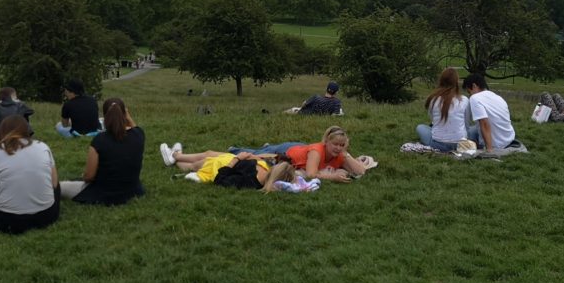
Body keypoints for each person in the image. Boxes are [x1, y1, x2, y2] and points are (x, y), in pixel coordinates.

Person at [0, 115, 60, 234]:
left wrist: (0, 187)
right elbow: (54, 183)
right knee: (56, 184)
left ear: (1, 131)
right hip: (47, 216)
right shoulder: (43, 146)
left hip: (11, 222)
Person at [60, 98, 145, 205]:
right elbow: (135, 128)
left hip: (104, 193)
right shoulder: (139, 135)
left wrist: (84, 176)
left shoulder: (100, 140)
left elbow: (89, 177)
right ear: (125, 114)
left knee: (60, 187)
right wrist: (127, 116)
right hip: (132, 190)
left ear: (104, 117)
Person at [226, 126, 368, 183]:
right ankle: (234, 149)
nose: (337, 148)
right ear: (326, 142)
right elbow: (312, 174)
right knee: (257, 153)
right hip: (287, 152)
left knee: (263, 151)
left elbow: (360, 171)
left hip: (301, 148)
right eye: (335, 144)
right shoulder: (317, 151)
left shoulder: (340, 154)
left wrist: (345, 153)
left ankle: (268, 146)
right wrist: (333, 177)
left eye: (341, 145)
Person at [159, 145, 295, 192]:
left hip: (222, 166)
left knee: (195, 165)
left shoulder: (251, 182)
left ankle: (173, 158)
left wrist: (237, 159)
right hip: (231, 158)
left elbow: (221, 179)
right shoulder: (266, 171)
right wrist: (250, 156)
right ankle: (176, 155)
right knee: (208, 153)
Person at [415, 67, 471, 151]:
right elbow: (466, 123)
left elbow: (433, 120)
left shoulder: (433, 99)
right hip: (461, 144)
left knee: (420, 127)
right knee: (473, 128)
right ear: (456, 82)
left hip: (438, 144)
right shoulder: (464, 100)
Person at [464, 74, 516, 152]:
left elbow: (484, 123)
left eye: (469, 91)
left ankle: (481, 144)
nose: (469, 95)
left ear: (474, 86)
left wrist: (489, 149)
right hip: (508, 139)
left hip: (495, 144)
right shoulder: (498, 97)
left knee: (466, 133)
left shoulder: (475, 98)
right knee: (473, 129)